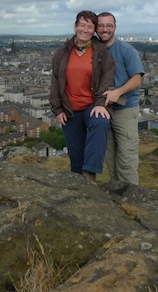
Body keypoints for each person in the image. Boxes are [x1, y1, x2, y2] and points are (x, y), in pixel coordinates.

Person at [50, 10, 115, 185]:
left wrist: (101, 103)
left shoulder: (100, 52)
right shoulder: (62, 53)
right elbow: (55, 81)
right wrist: (57, 109)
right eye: (82, 25)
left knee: (100, 122)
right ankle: (79, 186)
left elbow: (107, 77)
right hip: (69, 108)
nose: (85, 29)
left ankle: (91, 172)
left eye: (90, 26)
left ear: (94, 31)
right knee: (75, 155)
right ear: (75, 26)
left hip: (92, 105)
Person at [97, 12, 145, 185]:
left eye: (109, 25)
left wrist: (118, 92)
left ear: (115, 27)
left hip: (125, 109)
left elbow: (137, 79)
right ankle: (118, 196)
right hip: (103, 111)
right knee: (110, 157)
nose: (105, 29)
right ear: (96, 28)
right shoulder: (94, 51)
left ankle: (131, 198)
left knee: (126, 158)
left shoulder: (126, 50)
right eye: (101, 25)